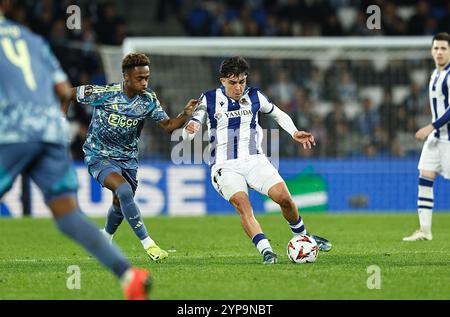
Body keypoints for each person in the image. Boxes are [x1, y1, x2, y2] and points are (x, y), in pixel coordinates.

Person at [0, 0, 149, 299]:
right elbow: (62, 89)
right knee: (68, 215)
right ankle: (128, 275)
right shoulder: (33, 40)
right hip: (50, 130)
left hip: (13, 132)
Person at [182, 56, 332, 264]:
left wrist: (294, 132)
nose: (238, 87)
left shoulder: (255, 96)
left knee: (285, 199)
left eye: (242, 81)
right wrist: (189, 130)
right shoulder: (208, 99)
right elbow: (189, 132)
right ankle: (266, 251)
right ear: (222, 81)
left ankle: (303, 237)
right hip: (225, 166)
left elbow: (278, 115)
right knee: (243, 204)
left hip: (255, 161)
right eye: (233, 82)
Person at [63, 53, 198, 261]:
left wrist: (185, 113)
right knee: (124, 190)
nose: (144, 82)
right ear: (126, 77)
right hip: (98, 155)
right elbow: (67, 93)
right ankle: (149, 245)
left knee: (120, 201)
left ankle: (104, 237)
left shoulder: (148, 100)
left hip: (129, 160)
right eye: (139, 78)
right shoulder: (104, 93)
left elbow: (169, 127)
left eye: (147, 78)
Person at [403, 32, 450, 241]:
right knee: (425, 176)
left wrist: (431, 126)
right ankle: (425, 230)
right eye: (436, 48)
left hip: (448, 140)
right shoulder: (435, 74)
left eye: (443, 48)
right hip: (436, 139)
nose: (439, 52)